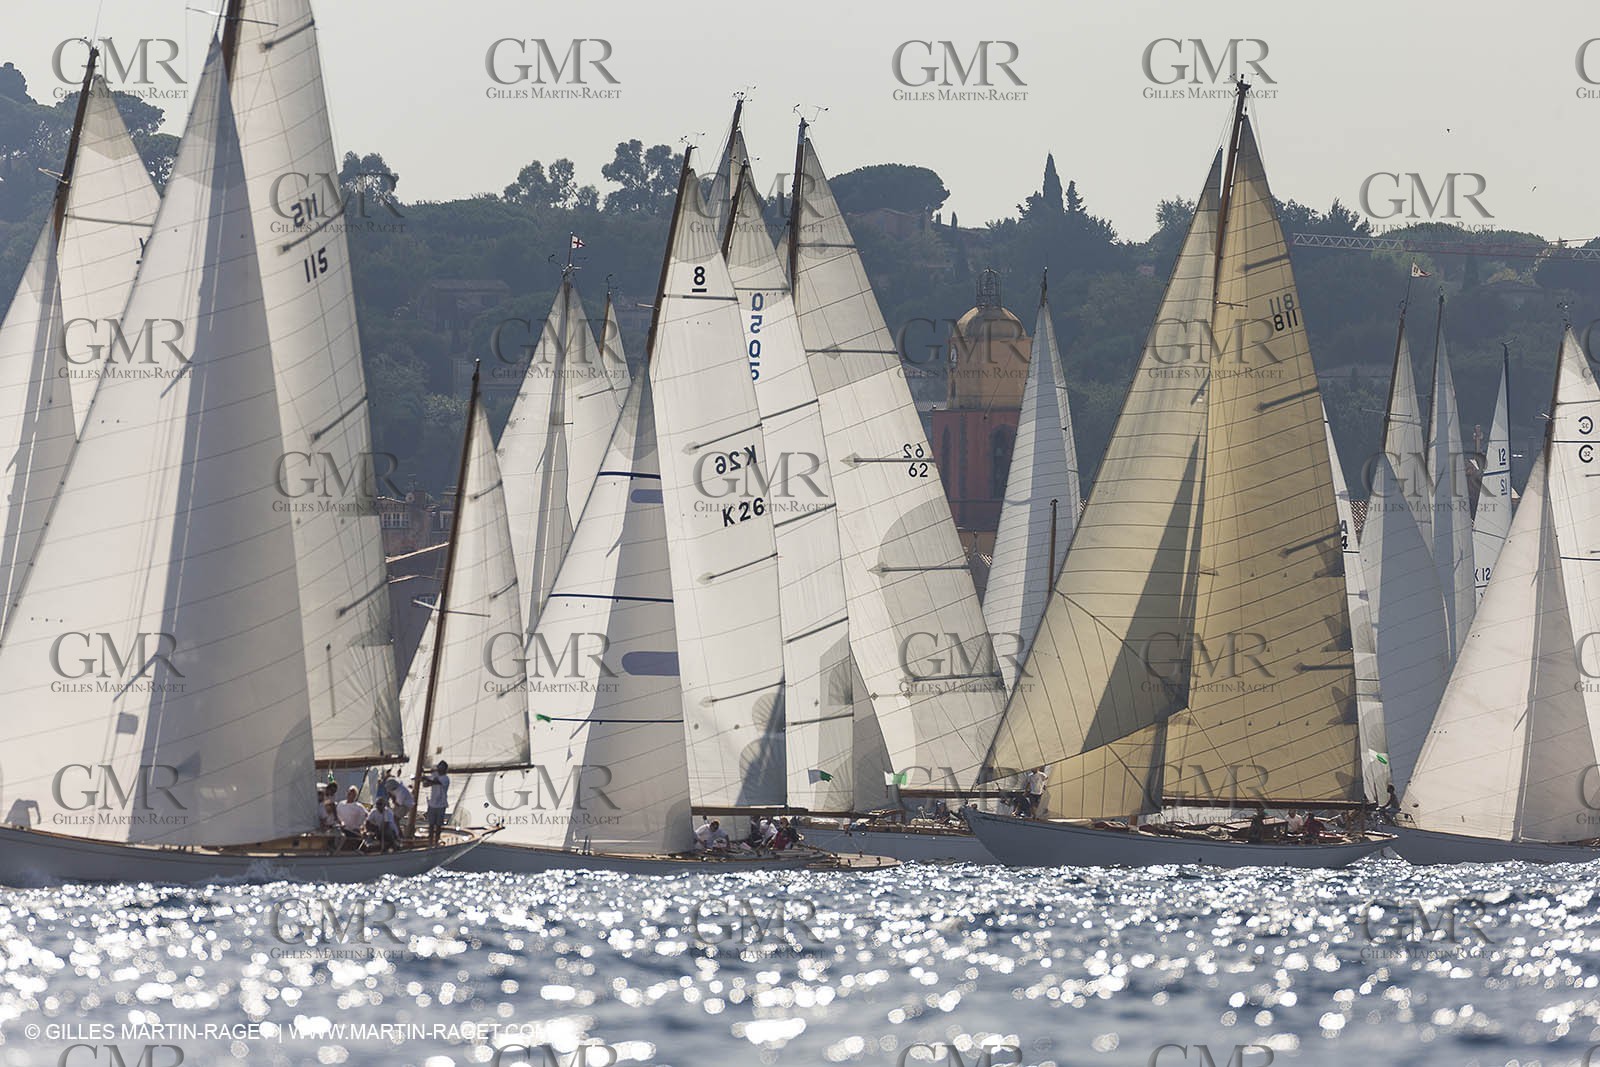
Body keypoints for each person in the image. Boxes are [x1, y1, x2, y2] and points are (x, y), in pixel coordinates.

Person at [420, 761, 451, 847]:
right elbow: (427, 784)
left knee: (438, 825)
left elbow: (435, 781)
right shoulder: (434, 775)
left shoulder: (445, 778)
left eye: (441, 768)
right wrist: (424, 779)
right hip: (432, 804)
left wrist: (426, 778)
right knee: (431, 824)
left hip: (441, 805)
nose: (439, 769)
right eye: (439, 767)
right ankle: (430, 840)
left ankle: (436, 840)